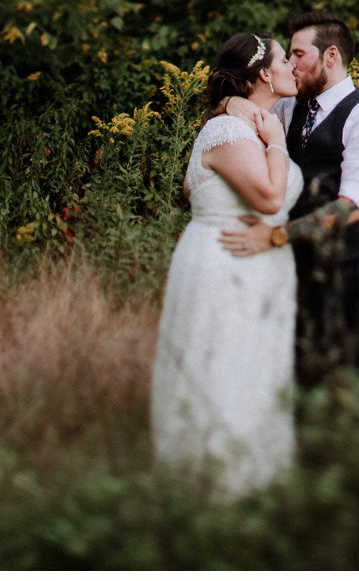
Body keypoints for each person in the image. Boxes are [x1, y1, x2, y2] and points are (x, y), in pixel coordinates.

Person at [149, 32, 300, 497]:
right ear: (263, 75)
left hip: (262, 269)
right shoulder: (229, 131)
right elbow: (270, 196)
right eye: (285, 60)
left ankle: (256, 484)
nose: (295, 68)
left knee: (256, 372)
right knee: (220, 369)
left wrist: (252, 116)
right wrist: (274, 140)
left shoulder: (254, 119)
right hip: (226, 263)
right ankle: (210, 489)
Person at [220, 10, 359, 388]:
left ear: (330, 56)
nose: (291, 65)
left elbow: (351, 206)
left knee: (346, 384)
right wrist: (230, 105)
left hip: (352, 270)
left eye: (298, 55)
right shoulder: (287, 109)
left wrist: (276, 235)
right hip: (296, 273)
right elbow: (239, 109)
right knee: (296, 383)